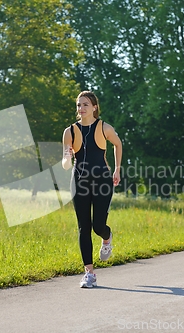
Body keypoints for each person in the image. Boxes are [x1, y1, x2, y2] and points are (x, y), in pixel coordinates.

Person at [61, 91, 122, 288]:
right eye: (79, 105)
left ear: (94, 107)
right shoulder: (69, 132)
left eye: (85, 104)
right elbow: (65, 164)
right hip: (79, 181)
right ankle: (89, 273)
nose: (81, 108)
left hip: (102, 180)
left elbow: (118, 144)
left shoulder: (104, 127)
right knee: (83, 227)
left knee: (98, 226)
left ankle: (107, 236)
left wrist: (117, 169)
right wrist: (68, 157)